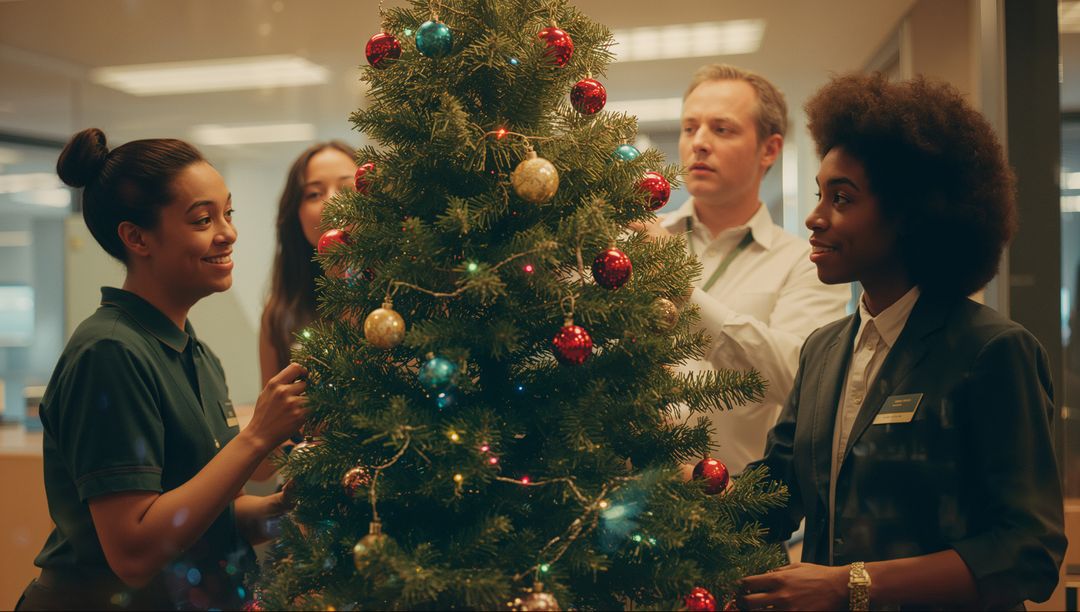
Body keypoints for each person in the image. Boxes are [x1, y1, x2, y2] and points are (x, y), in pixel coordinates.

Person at [739, 74, 1065, 610]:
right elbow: (774, 496)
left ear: (912, 215)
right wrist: (682, 485)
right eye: (821, 194)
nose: (814, 218)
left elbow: (1027, 553)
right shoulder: (822, 349)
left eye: (841, 198)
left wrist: (849, 586)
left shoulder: (991, 350)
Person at [16, 128, 310, 610]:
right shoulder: (110, 352)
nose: (228, 232)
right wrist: (257, 437)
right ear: (136, 238)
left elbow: (208, 516)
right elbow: (134, 551)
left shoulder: (195, 353)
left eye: (228, 213)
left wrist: (280, 509)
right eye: (202, 219)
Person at [637, 64, 849, 474]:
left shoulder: (807, 263)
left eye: (721, 129)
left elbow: (799, 379)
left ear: (769, 149)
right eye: (689, 127)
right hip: (620, 506)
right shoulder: (635, 248)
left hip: (735, 515)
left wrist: (681, 290)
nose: (698, 143)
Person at [259, 141, 357, 384]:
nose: (332, 202)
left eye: (346, 188)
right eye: (314, 193)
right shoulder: (280, 312)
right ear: (296, 214)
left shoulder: (404, 291)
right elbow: (273, 412)